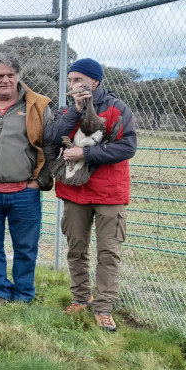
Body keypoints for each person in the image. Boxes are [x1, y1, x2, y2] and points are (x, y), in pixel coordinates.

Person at [45, 58, 137, 332]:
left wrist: (85, 153)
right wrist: (76, 110)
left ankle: (104, 307)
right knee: (76, 249)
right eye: (70, 80)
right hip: (74, 192)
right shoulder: (65, 110)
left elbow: (127, 146)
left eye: (78, 80)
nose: (72, 84)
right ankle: (81, 298)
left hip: (110, 192)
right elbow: (52, 137)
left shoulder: (116, 108)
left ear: (94, 82)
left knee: (108, 252)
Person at [0, 52, 54, 304]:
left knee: (25, 247)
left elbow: (51, 146)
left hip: (25, 192)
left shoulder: (38, 105)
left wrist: (39, 180)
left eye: (10, 75)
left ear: (18, 77)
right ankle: (0, 291)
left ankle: (24, 293)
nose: (5, 80)